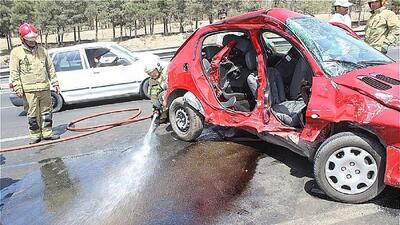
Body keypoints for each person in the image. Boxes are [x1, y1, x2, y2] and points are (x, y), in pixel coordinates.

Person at [9, 23, 60, 144]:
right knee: (32, 114)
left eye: (34, 39)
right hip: (29, 91)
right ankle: (35, 135)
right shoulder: (17, 53)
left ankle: (47, 133)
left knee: (46, 111)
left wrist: (55, 82)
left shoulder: (42, 51)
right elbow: (14, 72)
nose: (32, 41)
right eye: (29, 39)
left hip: (44, 88)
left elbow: (50, 68)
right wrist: (18, 87)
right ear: (23, 38)